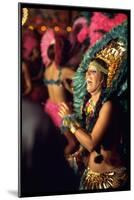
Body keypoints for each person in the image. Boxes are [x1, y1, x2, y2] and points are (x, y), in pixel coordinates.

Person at [59, 21, 129, 191]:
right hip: (89, 176)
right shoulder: (89, 104)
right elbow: (87, 142)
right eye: (87, 72)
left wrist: (70, 122)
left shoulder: (108, 106)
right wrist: (79, 154)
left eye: (93, 72)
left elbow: (92, 143)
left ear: (103, 79)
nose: (87, 76)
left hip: (110, 180)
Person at [41, 31, 78, 155]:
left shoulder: (47, 70)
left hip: (49, 109)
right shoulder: (64, 71)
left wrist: (67, 87)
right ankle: (60, 167)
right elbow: (84, 80)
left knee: (55, 143)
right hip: (62, 112)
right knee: (72, 143)